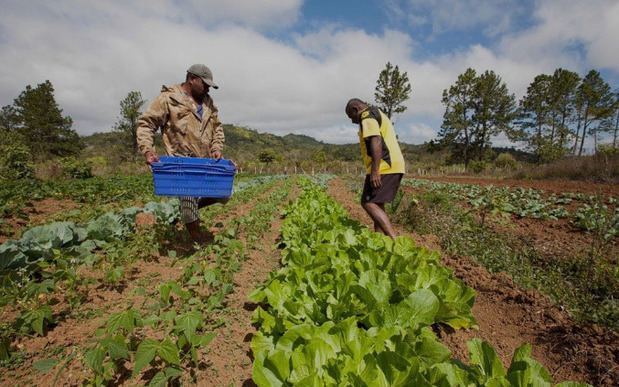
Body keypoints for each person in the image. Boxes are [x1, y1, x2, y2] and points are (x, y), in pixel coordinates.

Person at [137, 63, 233, 242]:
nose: (207, 89)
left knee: (224, 194)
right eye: (204, 84)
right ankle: (198, 242)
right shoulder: (169, 98)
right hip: (181, 163)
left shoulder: (208, 102)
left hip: (204, 163)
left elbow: (217, 128)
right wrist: (148, 151)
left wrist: (216, 147)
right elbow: (146, 124)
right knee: (188, 202)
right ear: (192, 79)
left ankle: (189, 208)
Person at [345, 98, 405, 240]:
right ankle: (379, 241)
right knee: (377, 203)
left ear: (356, 110)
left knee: (368, 202)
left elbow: (375, 140)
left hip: (385, 166)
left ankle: (393, 240)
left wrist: (375, 171)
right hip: (392, 165)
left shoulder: (367, 117)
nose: (353, 121)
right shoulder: (377, 112)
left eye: (351, 117)